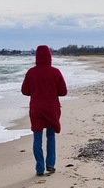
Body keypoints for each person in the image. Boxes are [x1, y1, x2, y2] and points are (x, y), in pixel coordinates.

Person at [20, 45, 68, 176]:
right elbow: (63, 92)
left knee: (37, 138)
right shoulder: (55, 72)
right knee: (50, 137)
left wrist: (36, 90)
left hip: (36, 109)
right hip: (51, 109)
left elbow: (25, 91)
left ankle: (39, 167)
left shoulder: (31, 72)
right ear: (49, 56)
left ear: (36, 57)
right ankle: (50, 164)